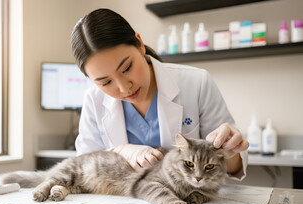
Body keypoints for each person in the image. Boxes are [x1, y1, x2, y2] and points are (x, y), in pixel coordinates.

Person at [71, 8, 249, 180]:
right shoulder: (94, 99)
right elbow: (83, 168)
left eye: (127, 68)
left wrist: (230, 151)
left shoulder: (197, 83)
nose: (124, 88)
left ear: (140, 44)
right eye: (105, 82)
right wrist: (119, 152)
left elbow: (232, 170)